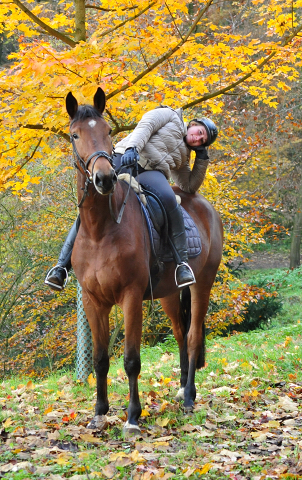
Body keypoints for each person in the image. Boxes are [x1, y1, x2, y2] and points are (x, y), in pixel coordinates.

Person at [44, 106, 218, 291]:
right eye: (199, 132)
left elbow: (189, 186)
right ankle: (61, 267)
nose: (197, 138)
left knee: (169, 199)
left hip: (151, 173)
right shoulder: (171, 116)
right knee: (93, 207)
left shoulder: (184, 157)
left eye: (202, 141)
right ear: (193, 124)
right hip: (125, 156)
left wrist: (201, 158)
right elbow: (147, 126)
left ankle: (182, 265)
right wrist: (132, 148)